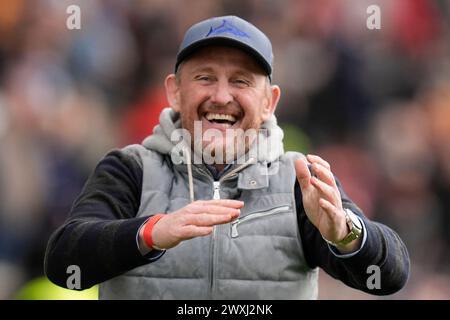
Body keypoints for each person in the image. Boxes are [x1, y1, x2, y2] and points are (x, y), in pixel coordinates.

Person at [44, 15, 409, 299]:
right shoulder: (130, 168)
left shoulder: (300, 179)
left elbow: (388, 276)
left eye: (241, 81)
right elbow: (65, 262)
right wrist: (151, 233)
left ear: (270, 102)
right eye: (204, 78)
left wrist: (345, 234)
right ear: (174, 92)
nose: (221, 96)